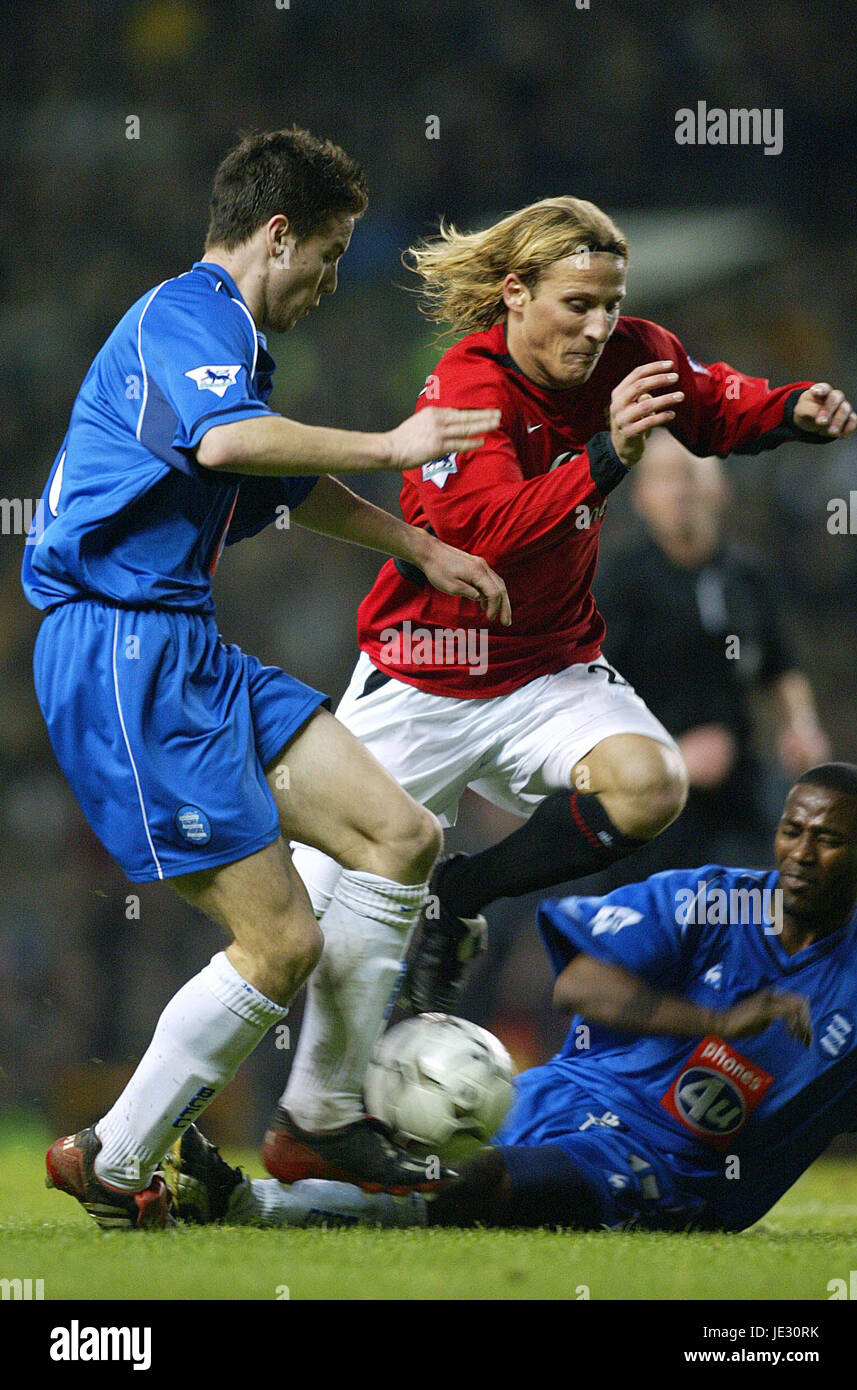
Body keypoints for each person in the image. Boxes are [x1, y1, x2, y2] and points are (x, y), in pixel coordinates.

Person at [267, 195, 857, 1184]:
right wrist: (604, 456)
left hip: (544, 670)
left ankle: (459, 893)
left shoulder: (633, 350)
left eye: (610, 303)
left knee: (648, 782)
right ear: (515, 293)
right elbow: (479, 538)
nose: (597, 324)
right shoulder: (463, 387)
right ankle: (241, 1127)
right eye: (577, 303)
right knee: (292, 932)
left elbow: (712, 403)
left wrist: (788, 409)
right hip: (419, 678)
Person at [22, 127, 512, 1228]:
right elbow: (231, 451)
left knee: (401, 835)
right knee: (282, 939)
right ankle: (113, 1159)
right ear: (275, 233)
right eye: (330, 254)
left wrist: (419, 547)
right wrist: (397, 441)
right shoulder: (182, 317)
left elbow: (279, 487)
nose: (333, 282)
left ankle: (321, 1116)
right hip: (117, 651)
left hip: (183, 643)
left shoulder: (232, 354)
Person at [167, 764, 857, 1234]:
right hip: (560, 1092)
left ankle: (244, 1204)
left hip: (659, 1166)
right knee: (403, 1138)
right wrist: (716, 1022)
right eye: (791, 829)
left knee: (478, 1182)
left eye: (828, 839)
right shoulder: (712, 900)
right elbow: (580, 985)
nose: (800, 853)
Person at [555, 427, 832, 886]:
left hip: (737, 798)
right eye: (664, 477)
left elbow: (781, 669)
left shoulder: (749, 578)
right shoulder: (614, 586)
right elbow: (577, 695)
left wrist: (799, 725)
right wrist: (675, 758)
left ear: (720, 488)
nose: (680, 489)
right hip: (642, 808)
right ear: (642, 497)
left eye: (690, 474)